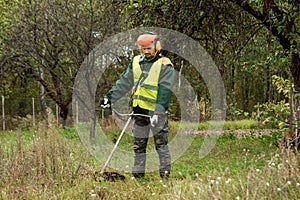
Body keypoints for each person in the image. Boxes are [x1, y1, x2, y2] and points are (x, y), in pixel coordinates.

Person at [100, 32, 175, 179]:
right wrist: (109, 97)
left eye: (149, 48)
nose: (146, 52)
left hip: (155, 112)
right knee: (139, 145)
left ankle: (165, 178)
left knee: (161, 146)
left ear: (156, 46)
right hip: (139, 110)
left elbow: (165, 90)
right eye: (143, 49)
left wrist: (158, 112)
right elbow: (123, 82)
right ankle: (138, 177)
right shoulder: (135, 62)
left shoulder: (164, 64)